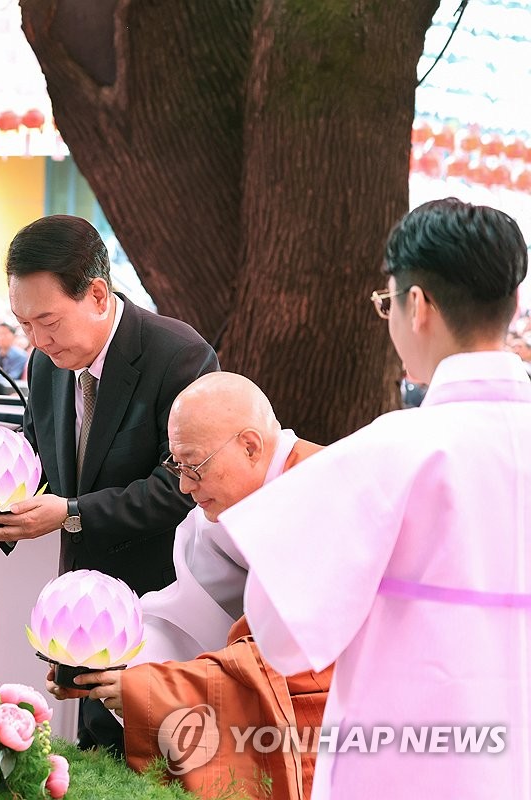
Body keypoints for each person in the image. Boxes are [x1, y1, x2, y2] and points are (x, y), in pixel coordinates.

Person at [219, 199, 531, 799]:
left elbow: (279, 638)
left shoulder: (390, 452)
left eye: (387, 303)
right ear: (513, 304)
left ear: (418, 306)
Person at [0, 214, 219, 753]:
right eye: (23, 325)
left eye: (49, 321)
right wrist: (0, 505)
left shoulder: (177, 356)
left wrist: (70, 511)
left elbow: (178, 486)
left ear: (96, 293)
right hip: (82, 611)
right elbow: (39, 467)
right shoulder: (46, 365)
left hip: (163, 608)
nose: (37, 341)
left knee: (157, 767)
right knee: (93, 755)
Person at [53, 373, 328, 797]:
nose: (184, 486)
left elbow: (289, 673)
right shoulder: (224, 509)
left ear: (251, 446)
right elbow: (184, 616)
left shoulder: (320, 495)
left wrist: (150, 692)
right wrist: (109, 661)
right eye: (176, 467)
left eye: (194, 467)